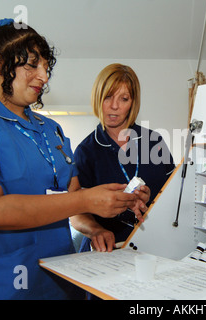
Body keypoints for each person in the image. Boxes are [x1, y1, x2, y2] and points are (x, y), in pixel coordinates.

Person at [0, 19, 148, 300]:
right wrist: (87, 200)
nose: (44, 77)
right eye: (32, 65)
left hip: (55, 277)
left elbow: (71, 198)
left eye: (45, 68)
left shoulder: (50, 129)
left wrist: (95, 226)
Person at [70, 63, 175, 253]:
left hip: (153, 249)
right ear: (97, 98)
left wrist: (152, 198)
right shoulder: (86, 152)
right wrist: (96, 231)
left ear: (133, 103)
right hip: (109, 251)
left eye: (124, 98)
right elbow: (75, 212)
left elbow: (174, 195)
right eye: (108, 97)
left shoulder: (154, 142)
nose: (114, 106)